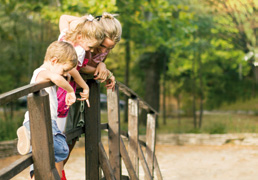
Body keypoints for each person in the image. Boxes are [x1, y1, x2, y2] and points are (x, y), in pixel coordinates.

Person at [58, 12, 122, 178]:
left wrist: (102, 63)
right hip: (67, 87)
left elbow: (90, 63)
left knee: (73, 136)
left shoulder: (101, 47)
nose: (104, 50)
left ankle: (58, 172)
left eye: (110, 49)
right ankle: (53, 173)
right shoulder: (85, 37)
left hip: (81, 89)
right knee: (62, 135)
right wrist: (103, 70)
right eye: (103, 46)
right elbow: (76, 64)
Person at [16, 41, 78, 180]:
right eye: (64, 70)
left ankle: (34, 175)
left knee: (38, 160)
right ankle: (31, 138)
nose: (65, 74)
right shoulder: (42, 73)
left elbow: (57, 75)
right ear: (54, 61)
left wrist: (64, 74)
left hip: (36, 121)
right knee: (62, 149)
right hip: (44, 122)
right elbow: (55, 77)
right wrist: (70, 91)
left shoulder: (47, 73)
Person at [56, 14, 105, 133]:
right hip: (64, 86)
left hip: (55, 80)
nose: (91, 51)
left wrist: (84, 22)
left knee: (52, 112)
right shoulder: (79, 50)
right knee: (60, 118)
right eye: (90, 47)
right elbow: (72, 69)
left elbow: (63, 17)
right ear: (80, 37)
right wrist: (84, 86)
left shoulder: (65, 36)